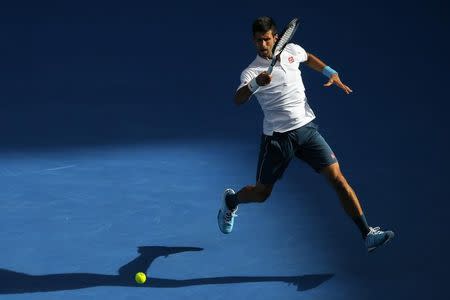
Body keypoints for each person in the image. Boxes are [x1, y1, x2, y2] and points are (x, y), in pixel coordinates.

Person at [217, 16, 394, 252]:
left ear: (275, 38)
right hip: (277, 139)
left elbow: (308, 58)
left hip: (306, 129)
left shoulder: (292, 50)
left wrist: (330, 71)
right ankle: (231, 201)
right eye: (258, 41)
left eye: (267, 39)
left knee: (338, 180)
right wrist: (255, 84)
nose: (263, 45)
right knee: (261, 194)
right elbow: (238, 99)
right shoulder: (251, 71)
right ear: (253, 41)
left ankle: (367, 234)